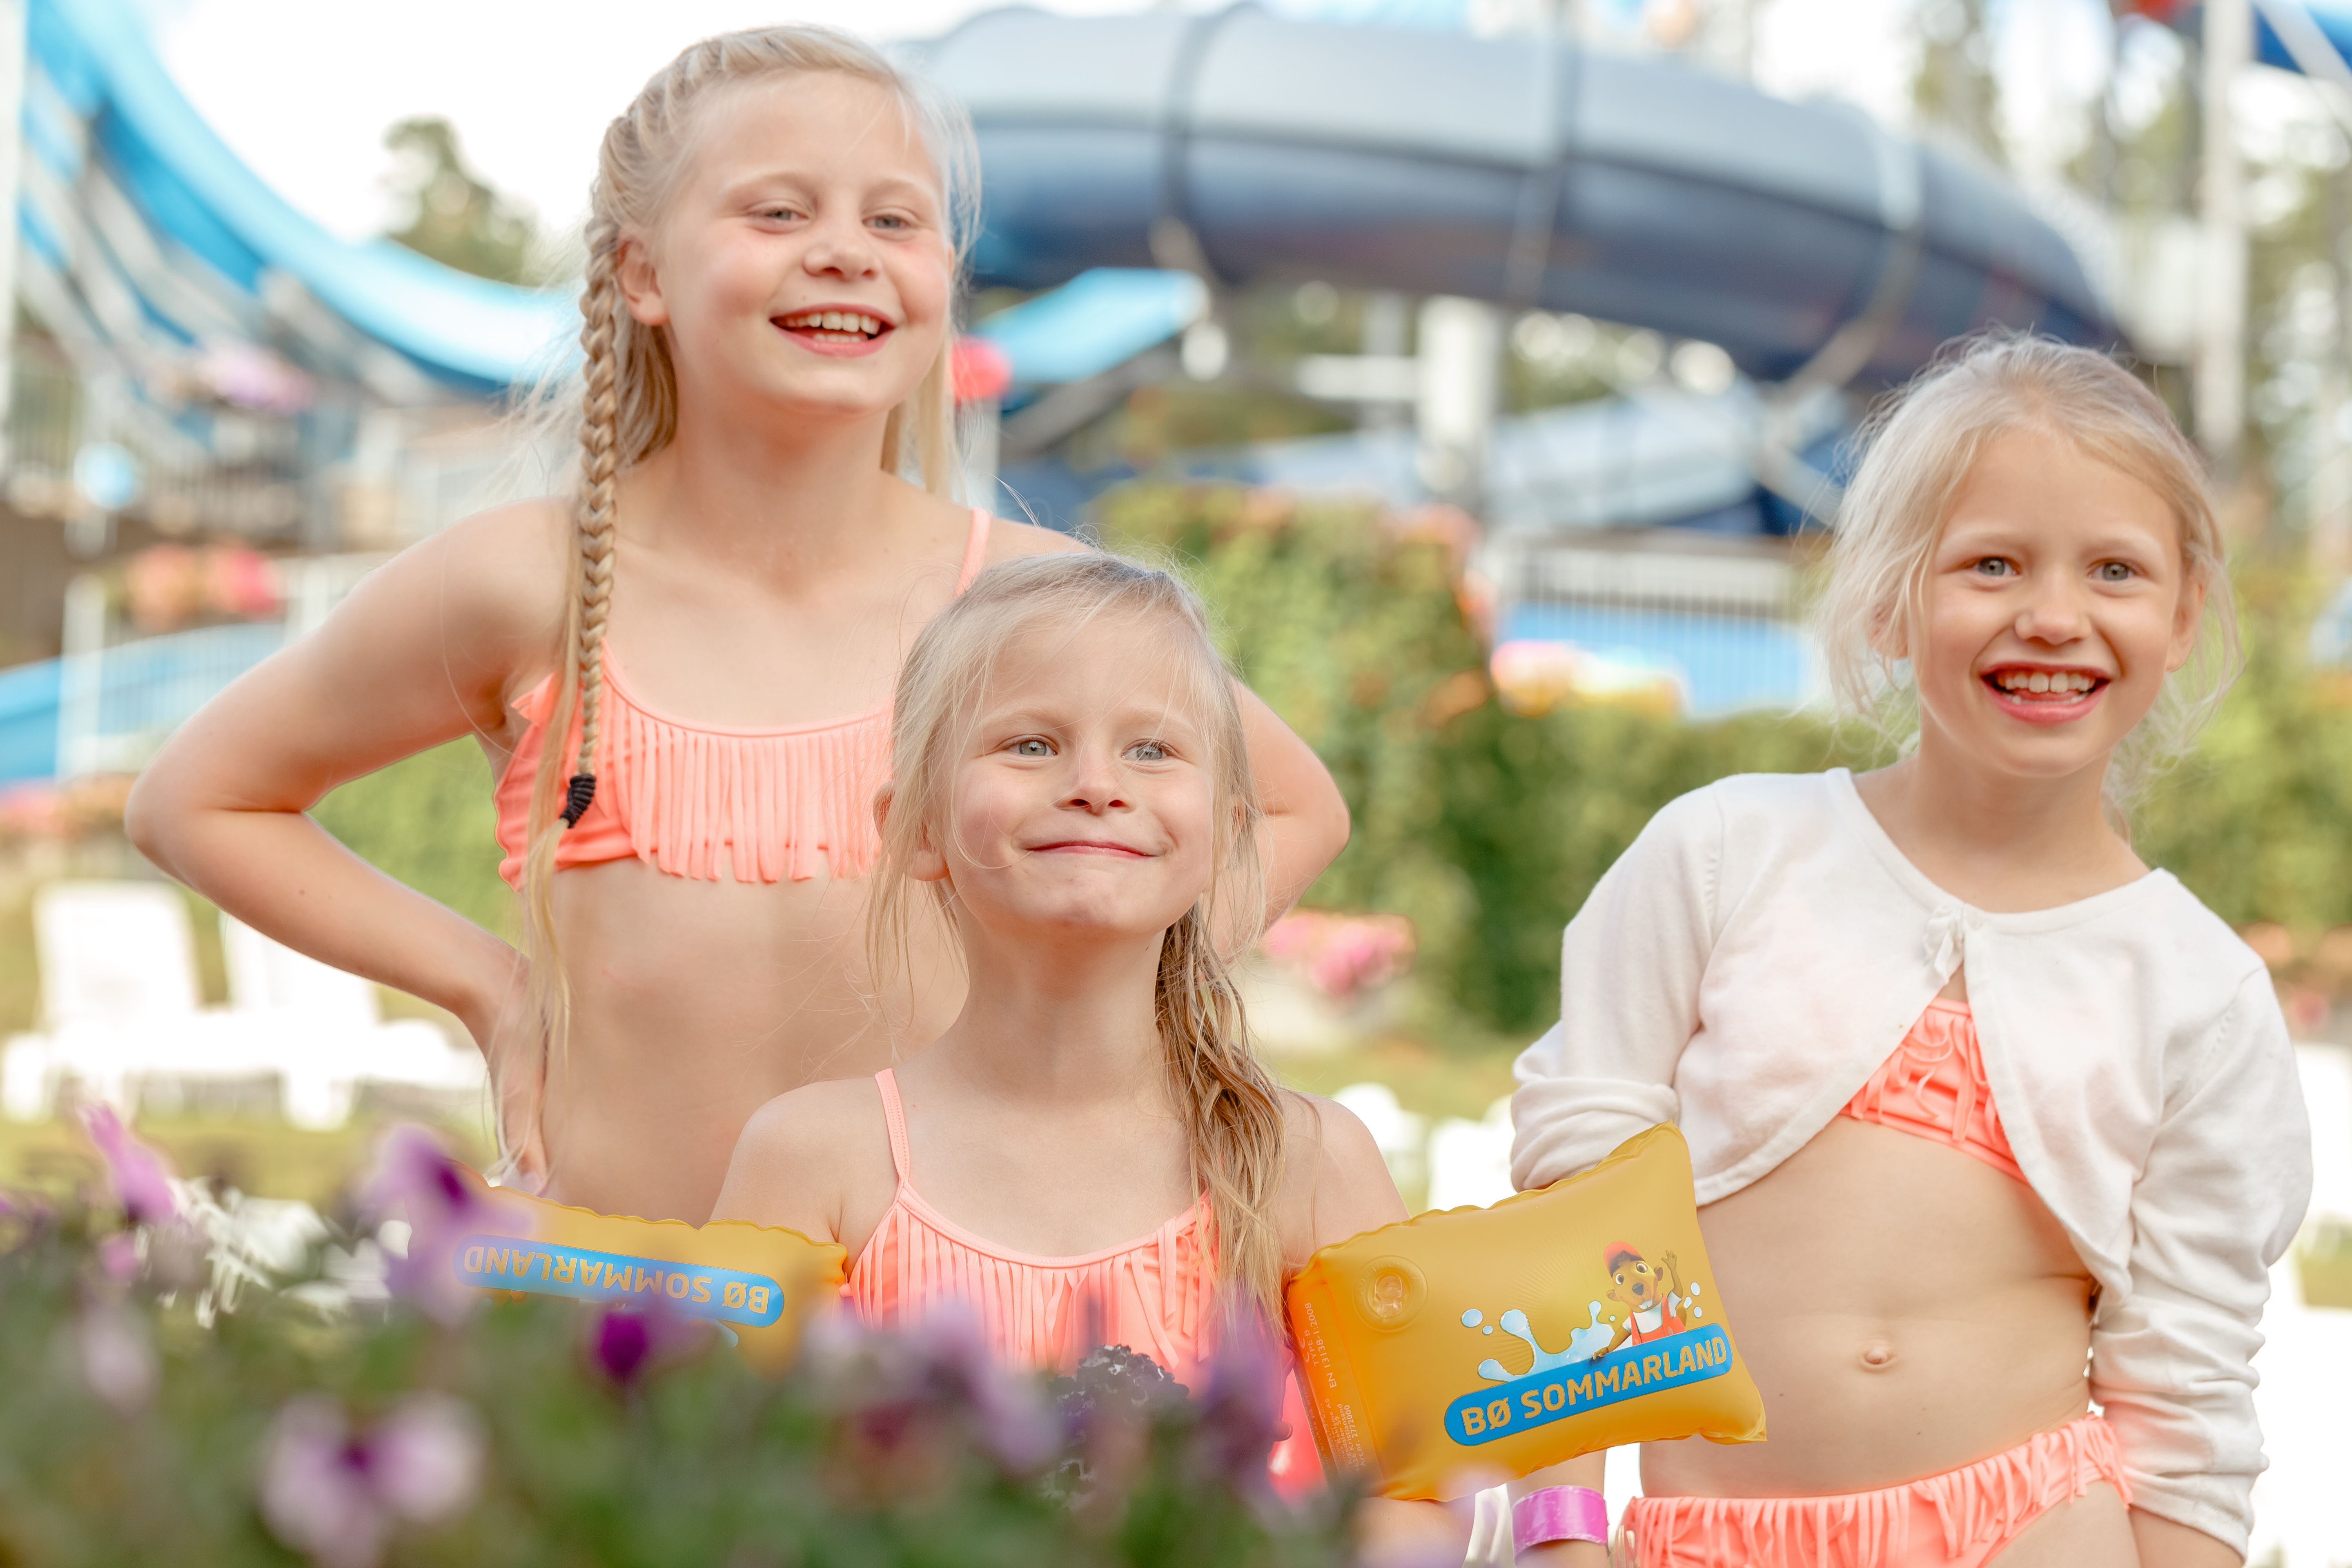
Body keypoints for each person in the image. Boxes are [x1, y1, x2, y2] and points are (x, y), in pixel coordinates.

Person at [124, 28, 1346, 1224]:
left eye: (895, 221)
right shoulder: (531, 581)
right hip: (623, 1312)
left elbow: (1294, 808)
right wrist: (489, 987)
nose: (844, 253)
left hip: (938, 1325)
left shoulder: (1024, 604)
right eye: (778, 212)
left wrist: (1092, 987)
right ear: (642, 274)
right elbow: (199, 800)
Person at [1503, 334, 2310, 1568]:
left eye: (2115, 570)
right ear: (1886, 596)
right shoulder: (1722, 856)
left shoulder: (2201, 993)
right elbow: (1573, 1207)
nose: (2055, 617)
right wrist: (1560, 1536)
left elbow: (2188, 1393)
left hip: (2039, 1536)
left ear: (2185, 613)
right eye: (1991, 564)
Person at [710, 552, 1463, 1564]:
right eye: (1031, 744)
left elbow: (1412, 1500)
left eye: (1153, 749)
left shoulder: (1310, 1164)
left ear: (1226, 834)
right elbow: (723, 1494)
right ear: (917, 827)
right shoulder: (813, 1162)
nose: (1098, 786)